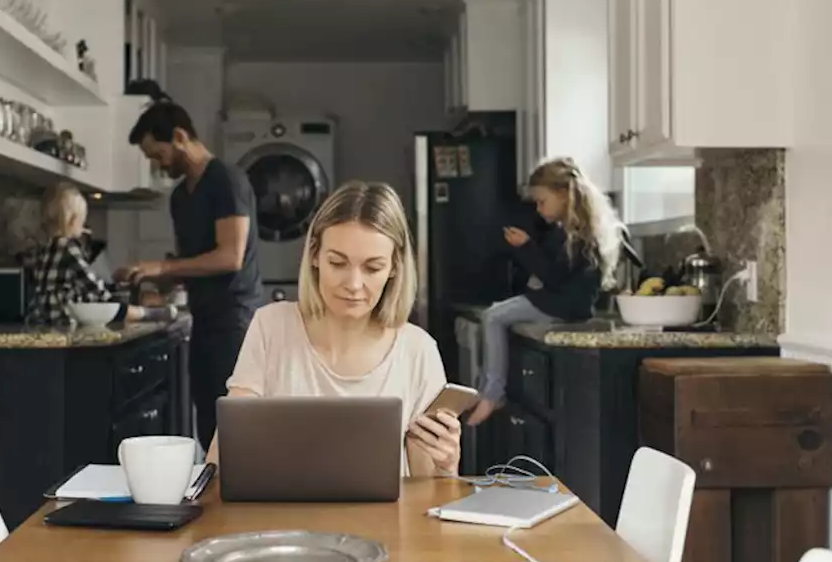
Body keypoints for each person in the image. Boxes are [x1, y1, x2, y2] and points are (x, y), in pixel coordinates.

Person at [207, 181, 461, 477]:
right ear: (314, 255)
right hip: (281, 521)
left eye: (372, 267)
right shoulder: (271, 327)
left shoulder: (418, 350)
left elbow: (427, 491)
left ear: (394, 267)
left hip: (384, 524)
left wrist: (447, 465)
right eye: (338, 263)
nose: (353, 284)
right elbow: (225, 453)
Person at [115, 101, 264, 451]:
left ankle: (242, 503)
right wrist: (155, 278)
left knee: (236, 428)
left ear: (180, 136)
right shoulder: (180, 197)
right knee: (209, 425)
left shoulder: (226, 180)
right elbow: (195, 262)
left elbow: (230, 257)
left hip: (235, 322)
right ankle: (215, 501)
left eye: (158, 154)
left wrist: (164, 267)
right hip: (203, 319)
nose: (157, 165)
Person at [467, 157, 628, 426]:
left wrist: (526, 247)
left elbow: (554, 277)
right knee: (498, 313)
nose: (539, 209)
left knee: (493, 316)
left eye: (542, 201)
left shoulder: (574, 234)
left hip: (562, 305)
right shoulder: (576, 230)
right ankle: (486, 390)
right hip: (564, 303)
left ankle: (492, 393)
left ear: (565, 194)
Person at [25, 183, 147, 325]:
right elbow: (90, 283)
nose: (84, 228)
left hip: (39, 320)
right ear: (72, 221)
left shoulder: (43, 249)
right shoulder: (70, 249)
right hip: (63, 320)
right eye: (82, 222)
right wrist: (114, 302)